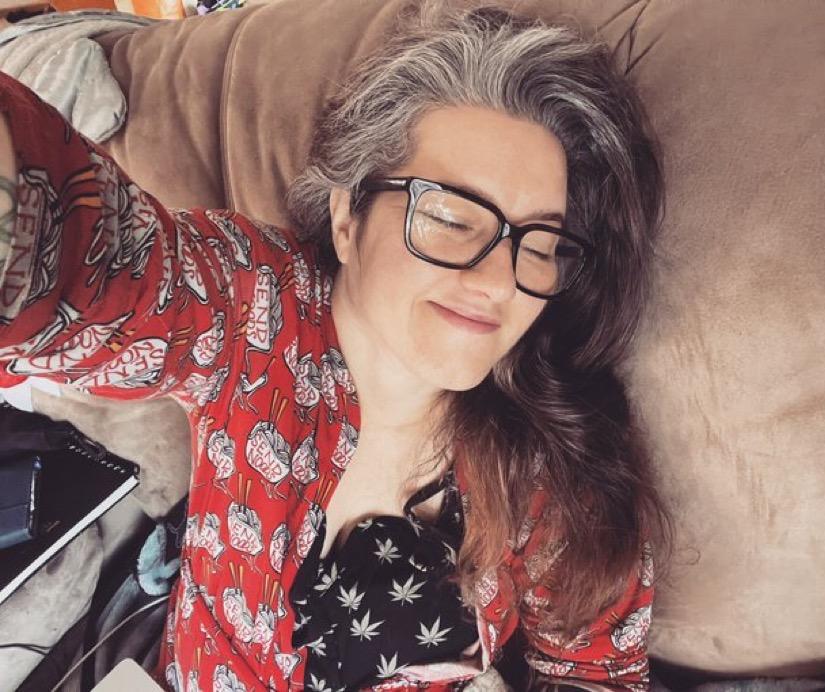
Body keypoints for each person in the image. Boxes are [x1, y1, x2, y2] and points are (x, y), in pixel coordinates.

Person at [0, 2, 671, 690]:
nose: (498, 282)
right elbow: (93, 263)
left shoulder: (551, 459)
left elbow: (596, 671)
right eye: (449, 217)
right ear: (348, 216)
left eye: (539, 242)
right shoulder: (253, 308)